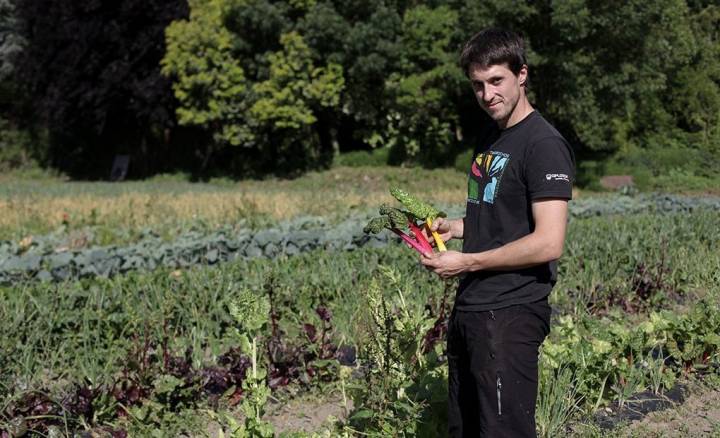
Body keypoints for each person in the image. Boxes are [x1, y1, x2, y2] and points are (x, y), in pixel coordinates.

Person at [420, 28, 575, 437]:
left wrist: (468, 260)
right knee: (465, 428)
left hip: (511, 311)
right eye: (477, 85)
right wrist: (455, 228)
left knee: (504, 431)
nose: (487, 95)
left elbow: (548, 241)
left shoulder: (543, 145)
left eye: (496, 81)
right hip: (472, 305)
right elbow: (497, 218)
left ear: (521, 75)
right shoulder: (491, 136)